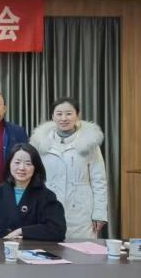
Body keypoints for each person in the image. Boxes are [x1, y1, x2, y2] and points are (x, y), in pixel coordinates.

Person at [30, 97, 108, 239]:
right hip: (48, 205)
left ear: (78, 115)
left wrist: (99, 213)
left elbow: (99, 180)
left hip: (81, 210)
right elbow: (33, 178)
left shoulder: (89, 143)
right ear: (52, 116)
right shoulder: (40, 143)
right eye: (59, 114)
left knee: (82, 249)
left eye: (69, 113)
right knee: (47, 249)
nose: (64, 118)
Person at [0, 143, 67, 242]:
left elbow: (58, 229)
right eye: (17, 162)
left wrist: (22, 231)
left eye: (28, 164)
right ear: (9, 164)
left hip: (36, 249)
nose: (21, 168)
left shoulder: (47, 196)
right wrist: (5, 241)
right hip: (4, 248)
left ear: (36, 167)